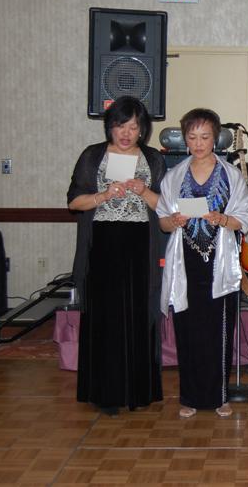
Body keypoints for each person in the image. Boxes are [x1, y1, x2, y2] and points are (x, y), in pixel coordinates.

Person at [67, 96, 166, 416]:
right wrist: (104, 194)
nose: (126, 133)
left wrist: (143, 190)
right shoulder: (93, 155)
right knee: (105, 318)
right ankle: (105, 393)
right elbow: (74, 203)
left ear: (143, 130)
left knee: (140, 315)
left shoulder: (152, 158)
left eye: (133, 127)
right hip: (102, 245)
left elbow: (165, 207)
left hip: (140, 247)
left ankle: (138, 390)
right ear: (109, 127)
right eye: (120, 126)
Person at [157, 108, 248, 419]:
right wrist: (174, 221)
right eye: (193, 137)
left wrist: (223, 219)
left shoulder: (231, 175)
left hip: (219, 263)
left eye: (205, 137)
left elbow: (243, 219)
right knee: (187, 329)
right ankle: (189, 396)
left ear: (216, 139)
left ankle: (219, 396)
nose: (199, 143)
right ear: (185, 139)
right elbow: (163, 222)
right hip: (185, 262)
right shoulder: (174, 176)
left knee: (219, 330)